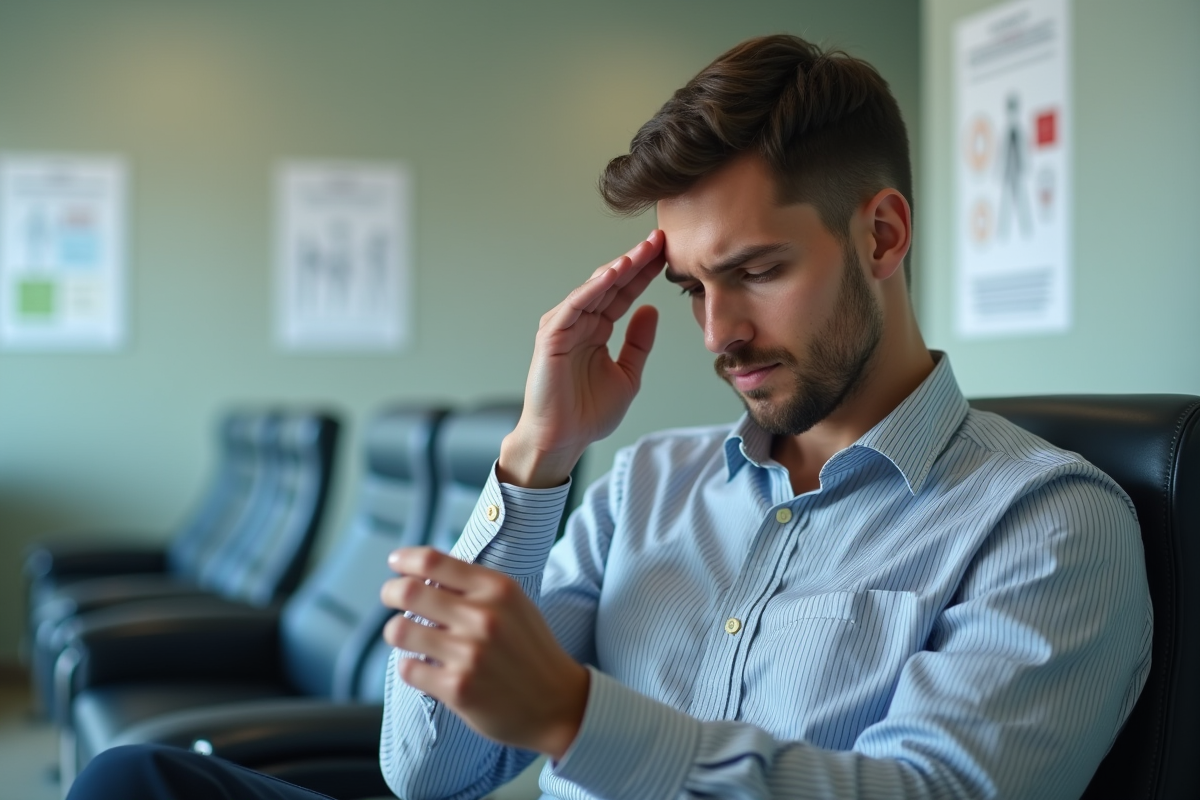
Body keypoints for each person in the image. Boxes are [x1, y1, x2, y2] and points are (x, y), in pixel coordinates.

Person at [68, 33, 1150, 800]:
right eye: (689, 286)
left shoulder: (1046, 524)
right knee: (135, 778)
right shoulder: (648, 483)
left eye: (758, 270)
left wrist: (580, 719)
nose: (718, 330)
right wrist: (539, 459)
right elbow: (428, 769)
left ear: (881, 235)